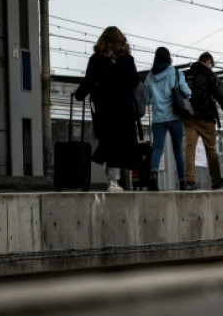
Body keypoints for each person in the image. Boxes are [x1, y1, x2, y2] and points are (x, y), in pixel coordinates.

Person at [74, 26, 140, 192]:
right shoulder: (128, 60)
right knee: (119, 143)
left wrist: (79, 95)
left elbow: (89, 80)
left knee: (108, 141)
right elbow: (135, 82)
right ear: (122, 41)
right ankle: (113, 181)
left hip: (103, 107)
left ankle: (106, 175)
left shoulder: (96, 59)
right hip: (124, 108)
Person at [182, 52, 223, 190]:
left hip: (189, 117)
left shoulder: (186, 74)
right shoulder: (209, 74)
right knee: (211, 149)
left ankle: (189, 180)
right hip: (206, 118)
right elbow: (218, 93)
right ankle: (215, 180)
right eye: (211, 65)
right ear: (208, 62)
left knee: (189, 148)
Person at [143, 46, 190, 190]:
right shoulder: (176, 73)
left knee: (157, 149)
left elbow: (147, 99)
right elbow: (187, 93)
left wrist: (157, 97)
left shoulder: (149, 77)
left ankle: (153, 174)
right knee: (178, 150)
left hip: (158, 119)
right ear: (169, 58)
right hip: (175, 117)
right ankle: (182, 182)